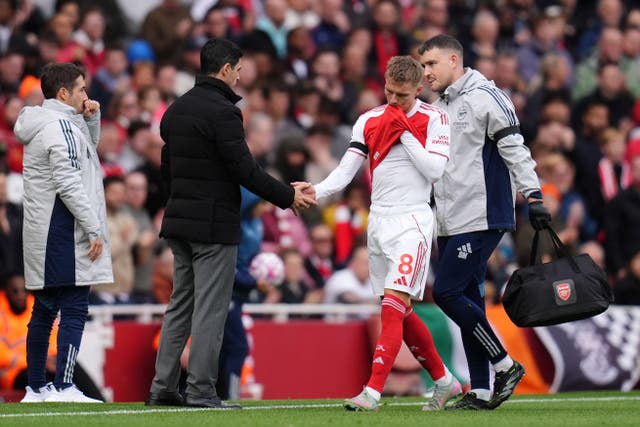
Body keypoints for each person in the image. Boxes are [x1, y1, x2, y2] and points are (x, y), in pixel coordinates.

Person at [147, 38, 315, 409]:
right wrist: (288, 197)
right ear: (225, 69)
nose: (240, 77)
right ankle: (202, 389)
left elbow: (166, 174)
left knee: (181, 305)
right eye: (238, 70)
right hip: (213, 226)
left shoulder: (175, 111)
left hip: (179, 223)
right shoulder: (223, 112)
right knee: (209, 308)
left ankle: (162, 387)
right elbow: (245, 170)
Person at [299, 55, 460, 412]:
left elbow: (435, 170)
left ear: (418, 89)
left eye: (401, 95)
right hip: (380, 221)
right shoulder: (369, 120)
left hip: (414, 222)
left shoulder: (435, 119)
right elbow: (346, 170)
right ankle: (445, 380)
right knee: (399, 311)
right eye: (388, 92)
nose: (392, 101)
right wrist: (318, 190)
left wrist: (404, 129)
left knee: (391, 307)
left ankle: (372, 391)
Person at [418, 34, 551, 410]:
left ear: (454, 61)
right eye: (424, 66)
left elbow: (515, 148)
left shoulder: (487, 97)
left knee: (446, 293)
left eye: (431, 64)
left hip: (482, 214)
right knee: (469, 299)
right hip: (449, 218)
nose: (426, 73)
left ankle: (505, 365)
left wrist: (534, 195)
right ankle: (478, 388)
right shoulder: (438, 105)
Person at [13, 62, 112, 403]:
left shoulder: (50, 123)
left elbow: (87, 158)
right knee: (73, 306)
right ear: (64, 93)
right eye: (82, 89)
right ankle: (65, 386)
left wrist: (91, 118)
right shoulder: (59, 127)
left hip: (46, 227)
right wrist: (93, 226)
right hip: (65, 228)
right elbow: (70, 182)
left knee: (44, 308)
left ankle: (37, 387)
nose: (87, 94)